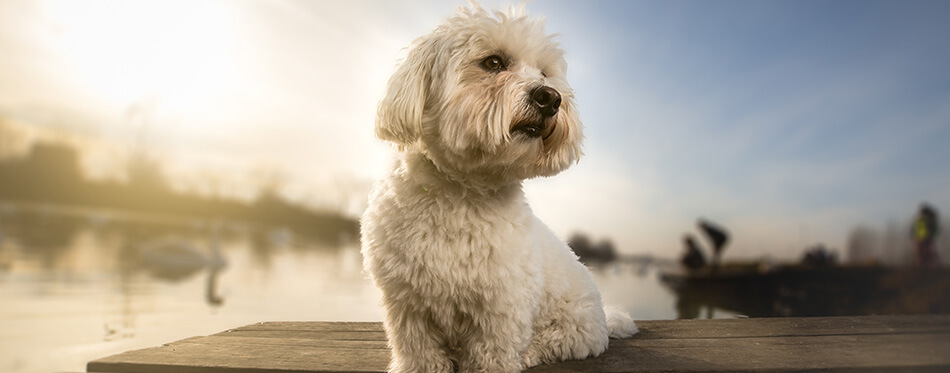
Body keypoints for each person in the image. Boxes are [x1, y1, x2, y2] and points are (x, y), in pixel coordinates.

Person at [913, 203, 941, 267]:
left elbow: (934, 228)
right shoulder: (921, 219)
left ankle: (930, 264)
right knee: (921, 252)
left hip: (926, 237)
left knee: (927, 252)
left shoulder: (929, 219)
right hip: (920, 237)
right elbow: (915, 228)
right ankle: (921, 264)